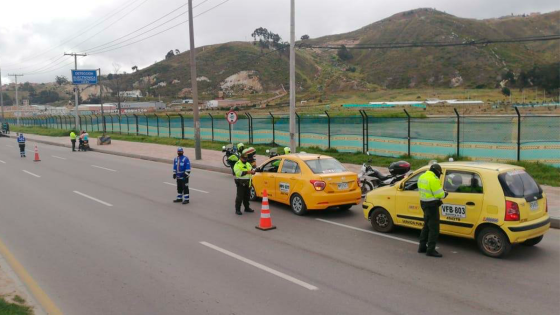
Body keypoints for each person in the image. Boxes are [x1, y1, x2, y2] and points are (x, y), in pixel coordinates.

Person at [417, 163, 448, 258]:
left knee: (426, 226)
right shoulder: (434, 179)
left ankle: (422, 247)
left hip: (424, 204)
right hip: (432, 206)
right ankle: (430, 250)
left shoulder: (422, 176)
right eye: (440, 173)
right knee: (434, 228)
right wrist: (445, 193)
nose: (439, 175)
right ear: (437, 171)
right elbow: (439, 194)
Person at [233, 150, 255, 215]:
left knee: (247, 197)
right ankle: (237, 209)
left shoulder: (248, 164)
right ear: (240, 158)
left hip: (248, 183)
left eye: (246, 159)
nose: (245, 160)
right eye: (244, 158)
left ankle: (247, 208)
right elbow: (238, 173)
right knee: (240, 197)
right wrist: (247, 172)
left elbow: (251, 170)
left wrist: (253, 171)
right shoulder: (237, 164)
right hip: (241, 183)